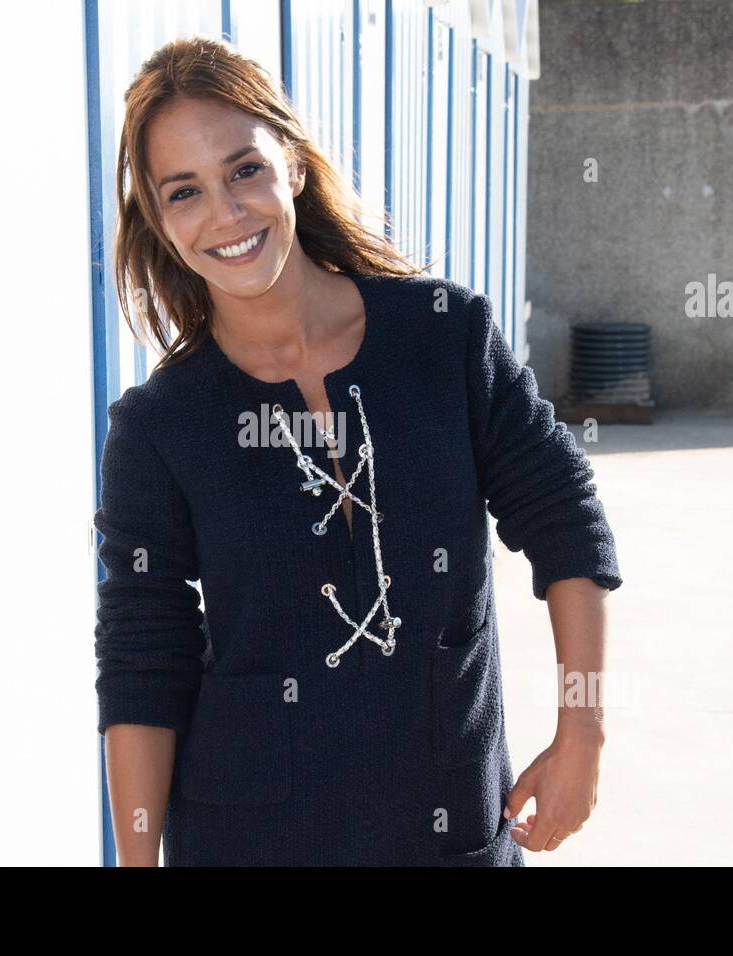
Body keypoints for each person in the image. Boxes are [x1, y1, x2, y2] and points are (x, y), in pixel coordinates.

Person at [93, 36, 622, 866]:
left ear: (293, 166)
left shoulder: (445, 338)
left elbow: (564, 518)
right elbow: (141, 660)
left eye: (244, 170)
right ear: (160, 222)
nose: (226, 215)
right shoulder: (159, 426)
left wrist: (581, 732)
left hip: (452, 829)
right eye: (184, 192)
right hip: (247, 840)